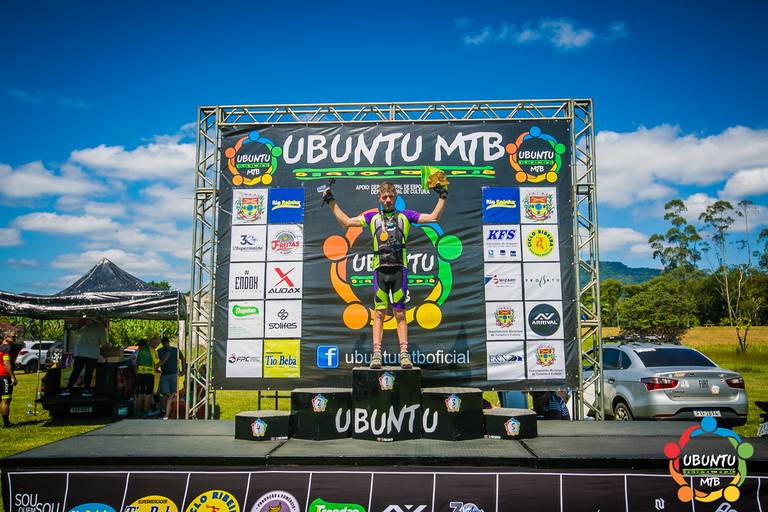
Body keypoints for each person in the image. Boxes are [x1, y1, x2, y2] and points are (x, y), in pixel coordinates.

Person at [325, 180, 447, 369]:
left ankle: (404, 355)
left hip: (399, 270)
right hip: (380, 271)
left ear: (396, 197)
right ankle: (376, 355)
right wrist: (330, 200)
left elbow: (434, 218)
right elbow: (346, 222)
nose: (388, 200)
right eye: (385, 197)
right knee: (379, 314)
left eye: (391, 196)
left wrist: (442, 196)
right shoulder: (372, 217)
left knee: (400, 313)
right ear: (379, 198)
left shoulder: (406, 215)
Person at [62, 318, 106, 397]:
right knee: (89, 372)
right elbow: (104, 343)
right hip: (91, 353)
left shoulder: (87, 326)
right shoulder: (101, 328)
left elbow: (77, 333)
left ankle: (68, 389)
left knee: (76, 371)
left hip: (79, 352)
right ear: (102, 323)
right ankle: (86, 390)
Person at [157, 336, 186, 413]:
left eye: (166, 343)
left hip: (174, 374)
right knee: (165, 394)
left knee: (173, 393)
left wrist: (183, 370)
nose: (165, 344)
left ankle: (172, 410)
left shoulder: (175, 350)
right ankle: (165, 410)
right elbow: (156, 362)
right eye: (164, 343)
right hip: (165, 374)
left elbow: (182, 359)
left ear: (168, 342)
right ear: (162, 343)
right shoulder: (159, 351)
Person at [133, 338, 160, 417]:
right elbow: (157, 364)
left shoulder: (139, 351)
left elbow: (135, 363)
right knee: (148, 394)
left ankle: (137, 412)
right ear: (151, 342)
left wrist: (136, 373)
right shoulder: (152, 351)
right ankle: (145, 412)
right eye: (156, 344)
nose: (156, 345)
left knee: (140, 393)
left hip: (140, 374)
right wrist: (165, 359)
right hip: (149, 374)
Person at [0, 331, 18, 427]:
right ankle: (6, 424)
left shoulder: (0, 347)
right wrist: (12, 376)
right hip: (4, 376)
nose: (14, 339)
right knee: (6, 399)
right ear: (6, 337)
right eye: (13, 337)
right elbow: (6, 362)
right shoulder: (8, 348)